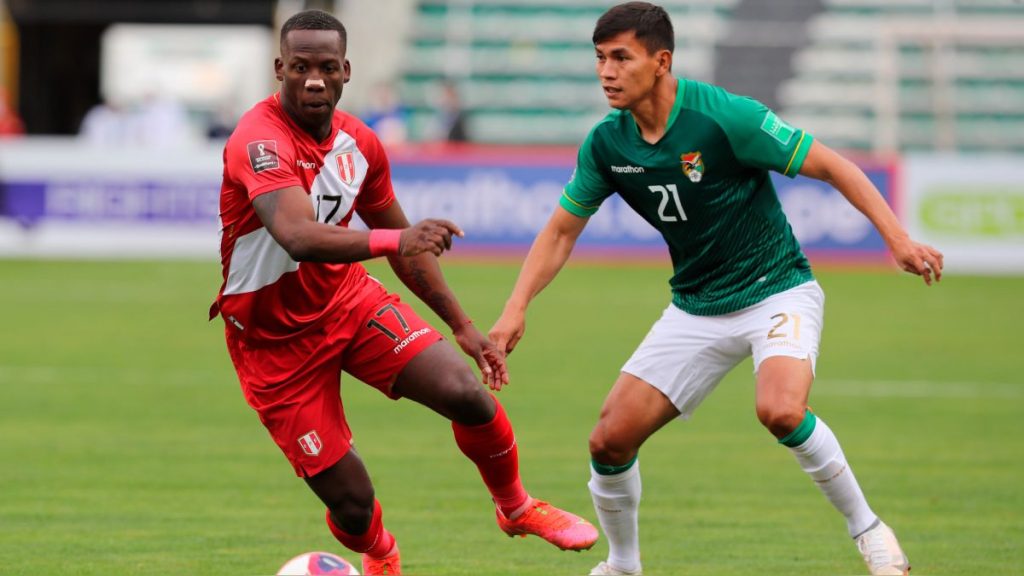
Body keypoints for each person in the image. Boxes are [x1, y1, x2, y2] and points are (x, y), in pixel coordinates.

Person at [488, 3, 943, 576]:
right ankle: (624, 565)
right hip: (696, 307)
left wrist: (897, 239)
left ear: (661, 62)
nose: (606, 71)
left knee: (779, 410)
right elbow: (559, 232)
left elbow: (834, 166)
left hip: (776, 289)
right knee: (608, 441)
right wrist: (514, 309)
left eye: (621, 58)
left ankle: (870, 531)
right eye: (600, 58)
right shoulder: (607, 144)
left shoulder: (726, 118)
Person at [210, 10, 598, 576]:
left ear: (346, 71)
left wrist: (465, 327)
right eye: (299, 67)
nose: (313, 79)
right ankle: (381, 552)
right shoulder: (259, 140)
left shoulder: (360, 143)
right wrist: (397, 237)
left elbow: (409, 249)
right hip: (274, 346)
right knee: (353, 504)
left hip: (347, 302)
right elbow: (296, 235)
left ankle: (516, 507)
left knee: (466, 394)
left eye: (325, 67)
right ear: (279, 70)